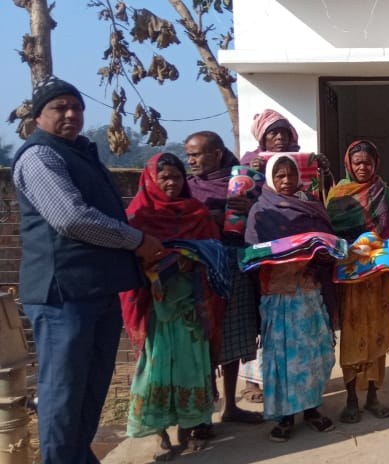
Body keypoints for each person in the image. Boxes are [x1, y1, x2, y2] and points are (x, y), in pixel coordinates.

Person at [13, 76, 162, 463]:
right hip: (62, 295)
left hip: (96, 290)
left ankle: (77, 456)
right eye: (59, 107)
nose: (70, 114)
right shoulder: (40, 156)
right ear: (38, 116)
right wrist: (136, 241)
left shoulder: (79, 153)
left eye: (76, 107)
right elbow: (72, 219)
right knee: (63, 392)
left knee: (90, 389)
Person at [120, 153, 225, 460]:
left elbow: (215, 253)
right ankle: (159, 432)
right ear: (151, 179)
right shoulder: (138, 215)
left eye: (177, 177)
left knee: (192, 365)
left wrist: (192, 259)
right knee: (156, 369)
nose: (171, 183)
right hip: (155, 311)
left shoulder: (196, 212)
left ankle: (188, 427)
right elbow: (126, 260)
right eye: (164, 177)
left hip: (191, 307)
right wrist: (155, 265)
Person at [245, 155, 337, 442]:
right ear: (271, 178)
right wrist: (280, 255)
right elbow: (251, 251)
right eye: (280, 175)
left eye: (291, 175)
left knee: (313, 352)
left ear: (299, 176)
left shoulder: (312, 207)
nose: (286, 181)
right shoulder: (261, 210)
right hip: (279, 294)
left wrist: (323, 253)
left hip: (308, 292)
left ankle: (312, 409)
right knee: (281, 356)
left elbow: (329, 241)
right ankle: (285, 416)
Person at [184, 131, 266, 425]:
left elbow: (267, 216)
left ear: (217, 153)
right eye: (189, 155)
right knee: (202, 338)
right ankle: (203, 413)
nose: (191, 161)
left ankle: (230, 405)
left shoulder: (243, 182)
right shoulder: (187, 188)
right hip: (200, 270)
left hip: (235, 266)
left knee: (232, 334)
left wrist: (252, 208)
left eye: (196, 154)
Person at [324, 140, 389, 424]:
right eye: (357, 162)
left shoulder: (386, 193)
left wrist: (381, 247)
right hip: (351, 277)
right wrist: (354, 248)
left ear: (376, 164)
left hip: (379, 274)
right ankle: (351, 398)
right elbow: (331, 233)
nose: (363, 167)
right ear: (349, 164)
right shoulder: (337, 194)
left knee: (378, 332)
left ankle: (372, 395)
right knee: (353, 334)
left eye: (368, 162)